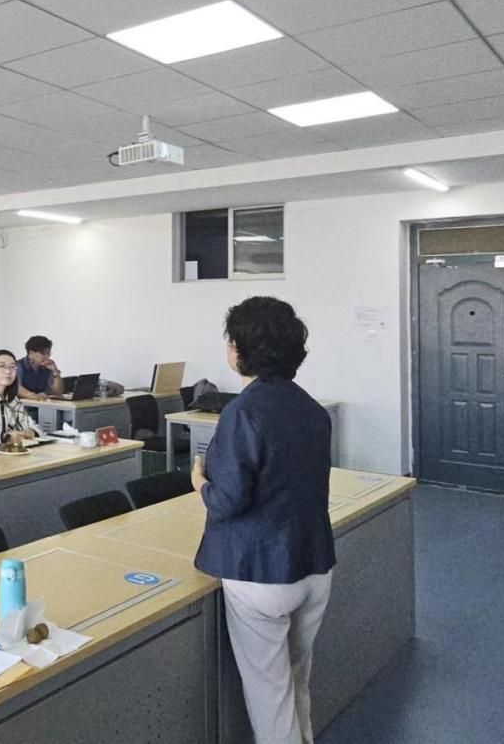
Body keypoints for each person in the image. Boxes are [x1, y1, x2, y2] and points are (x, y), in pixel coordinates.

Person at [191, 296, 335, 744]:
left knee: (270, 695)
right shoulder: (311, 408)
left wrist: (199, 483)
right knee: (297, 680)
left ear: (239, 349)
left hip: (260, 571)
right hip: (313, 563)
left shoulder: (243, 411)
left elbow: (229, 501)